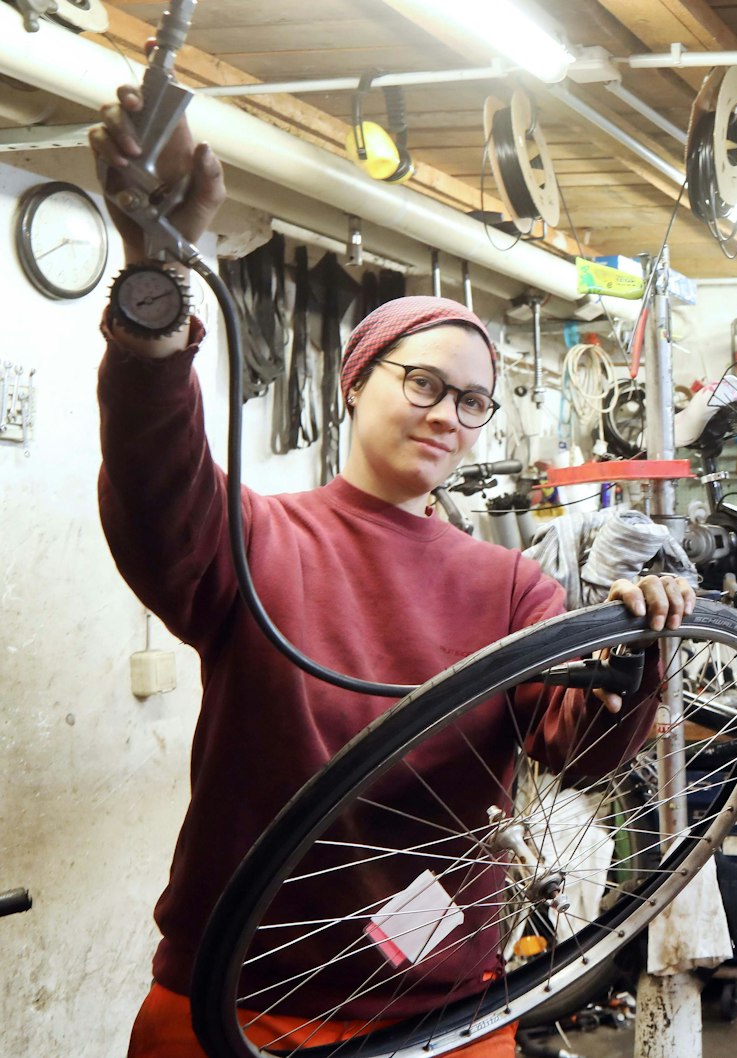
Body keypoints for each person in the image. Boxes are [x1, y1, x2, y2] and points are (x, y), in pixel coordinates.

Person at [90, 86, 695, 1057]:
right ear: (355, 381)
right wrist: (154, 274)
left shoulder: (509, 587)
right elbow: (154, 481)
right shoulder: (253, 537)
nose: (446, 415)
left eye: (471, 402)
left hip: (443, 1011)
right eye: (422, 382)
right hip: (236, 999)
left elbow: (575, 756)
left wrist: (634, 660)